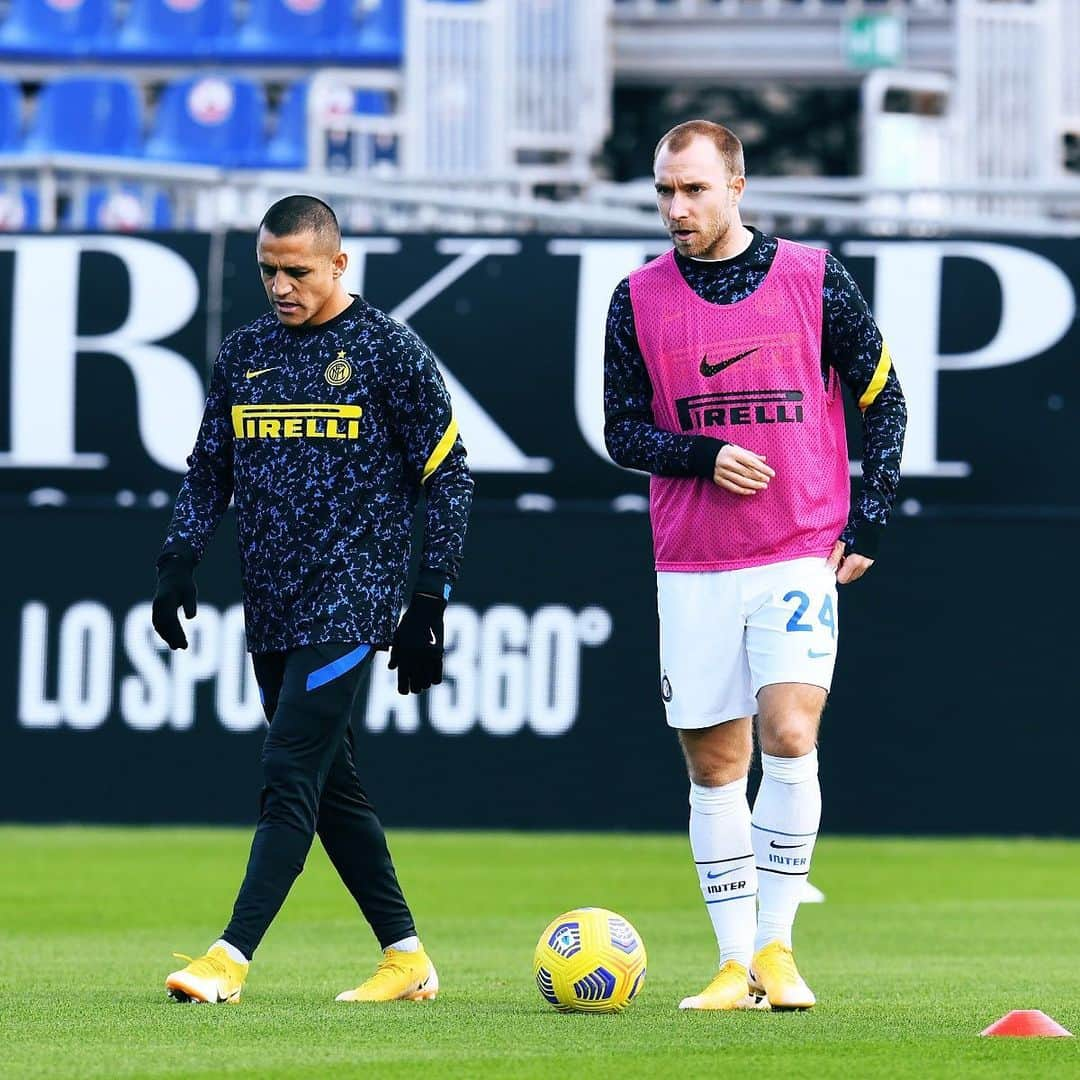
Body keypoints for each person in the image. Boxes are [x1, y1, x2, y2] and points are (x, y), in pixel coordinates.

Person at [603, 121, 906, 1011]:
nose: (676, 208)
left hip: (794, 548)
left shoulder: (812, 277)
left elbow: (883, 396)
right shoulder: (639, 297)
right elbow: (622, 430)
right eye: (664, 191)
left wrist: (871, 517)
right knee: (714, 763)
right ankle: (734, 964)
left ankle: (777, 947)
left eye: (693, 189)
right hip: (693, 558)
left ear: (736, 185)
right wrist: (701, 455)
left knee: (790, 734)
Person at [154, 195, 472, 1005]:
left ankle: (230, 957)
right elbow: (209, 469)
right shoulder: (245, 353)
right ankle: (406, 959)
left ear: (338, 263)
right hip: (272, 604)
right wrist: (178, 560)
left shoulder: (386, 351)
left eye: (296, 270)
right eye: (268, 269)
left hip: (351, 599)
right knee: (334, 788)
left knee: (288, 766)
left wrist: (429, 597)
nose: (280, 285)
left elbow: (448, 473)